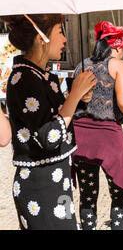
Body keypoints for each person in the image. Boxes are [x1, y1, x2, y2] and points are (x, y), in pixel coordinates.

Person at [0, 14, 96, 230]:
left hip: (55, 183)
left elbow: (60, 117)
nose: (64, 39)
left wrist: (79, 99)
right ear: (40, 38)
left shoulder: (43, 77)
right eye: (60, 31)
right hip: (40, 188)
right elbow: (49, 136)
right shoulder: (23, 79)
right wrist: (73, 97)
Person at [72, 21, 123, 230]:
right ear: (118, 46)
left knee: (87, 196)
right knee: (119, 192)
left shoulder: (81, 65)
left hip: (81, 139)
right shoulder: (119, 66)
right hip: (109, 139)